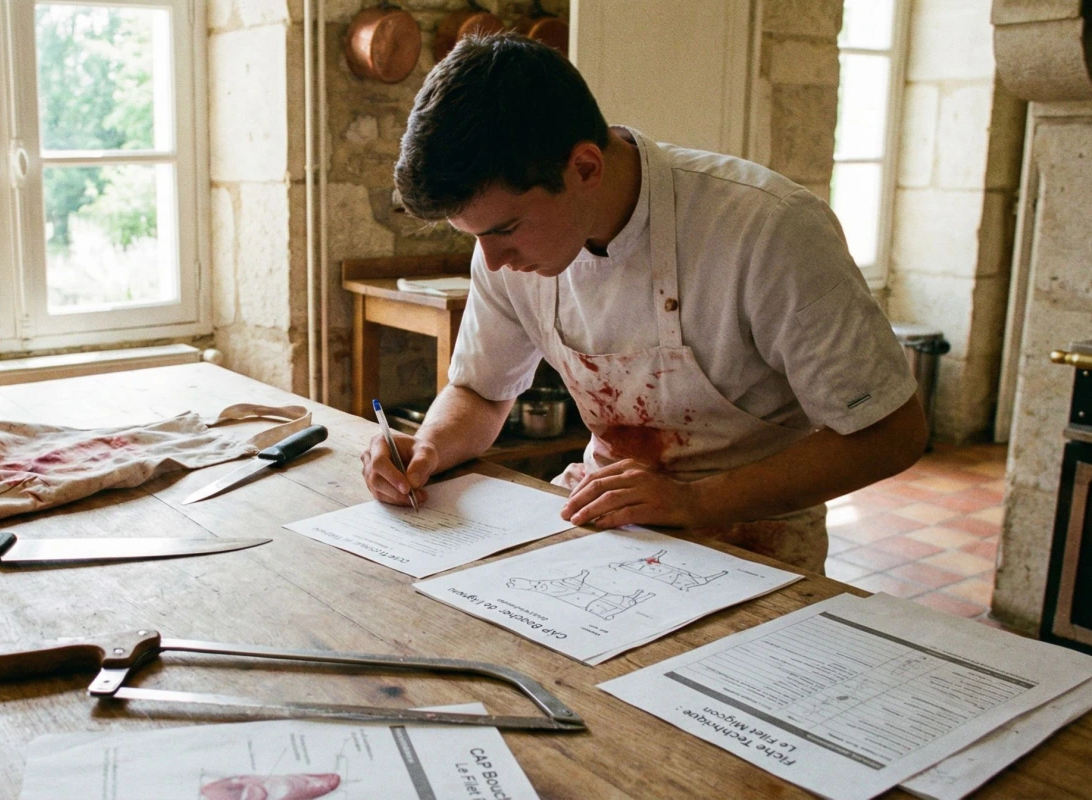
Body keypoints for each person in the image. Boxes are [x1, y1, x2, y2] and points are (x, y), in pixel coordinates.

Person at [360, 34, 927, 573]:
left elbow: (893, 433)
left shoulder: (769, 228)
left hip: (755, 534)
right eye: (474, 236)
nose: (494, 260)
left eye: (506, 229)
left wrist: (693, 501)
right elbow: (480, 392)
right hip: (604, 519)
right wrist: (430, 447)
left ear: (585, 167)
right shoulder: (504, 253)